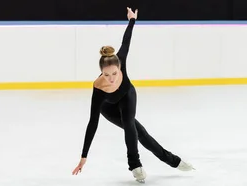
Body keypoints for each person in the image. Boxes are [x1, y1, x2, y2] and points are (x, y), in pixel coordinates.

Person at [71, 7, 194, 182]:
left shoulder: (120, 58)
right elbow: (92, 123)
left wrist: (132, 20)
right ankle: (153, 163)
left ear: (119, 67)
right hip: (109, 108)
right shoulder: (98, 88)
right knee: (139, 133)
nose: (111, 79)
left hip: (127, 95)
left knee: (134, 127)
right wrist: (84, 156)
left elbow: (126, 40)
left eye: (114, 73)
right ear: (101, 73)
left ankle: (154, 163)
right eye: (106, 75)